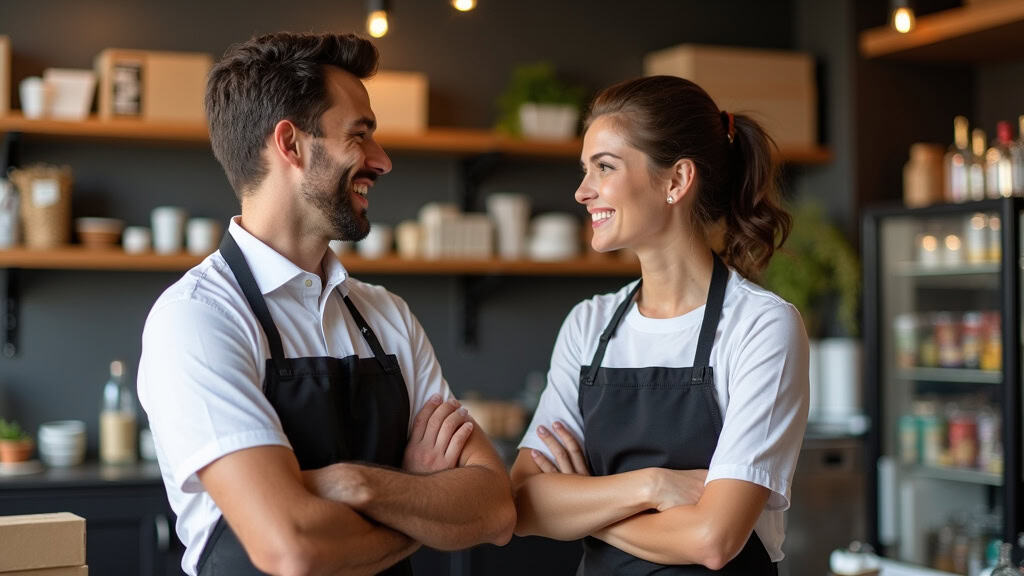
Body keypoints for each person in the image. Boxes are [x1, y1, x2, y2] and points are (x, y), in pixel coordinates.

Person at [137, 32, 515, 576]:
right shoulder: (198, 319)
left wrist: (353, 484)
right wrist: (419, 500)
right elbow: (291, 549)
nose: (381, 161)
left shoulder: (387, 317)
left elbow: (494, 510)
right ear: (291, 144)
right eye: (359, 136)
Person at [510, 75, 809, 575]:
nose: (583, 192)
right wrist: (653, 487)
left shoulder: (760, 327)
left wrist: (582, 508)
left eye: (604, 167)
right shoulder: (589, 325)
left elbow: (713, 539)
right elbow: (520, 503)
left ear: (676, 181)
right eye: (585, 170)